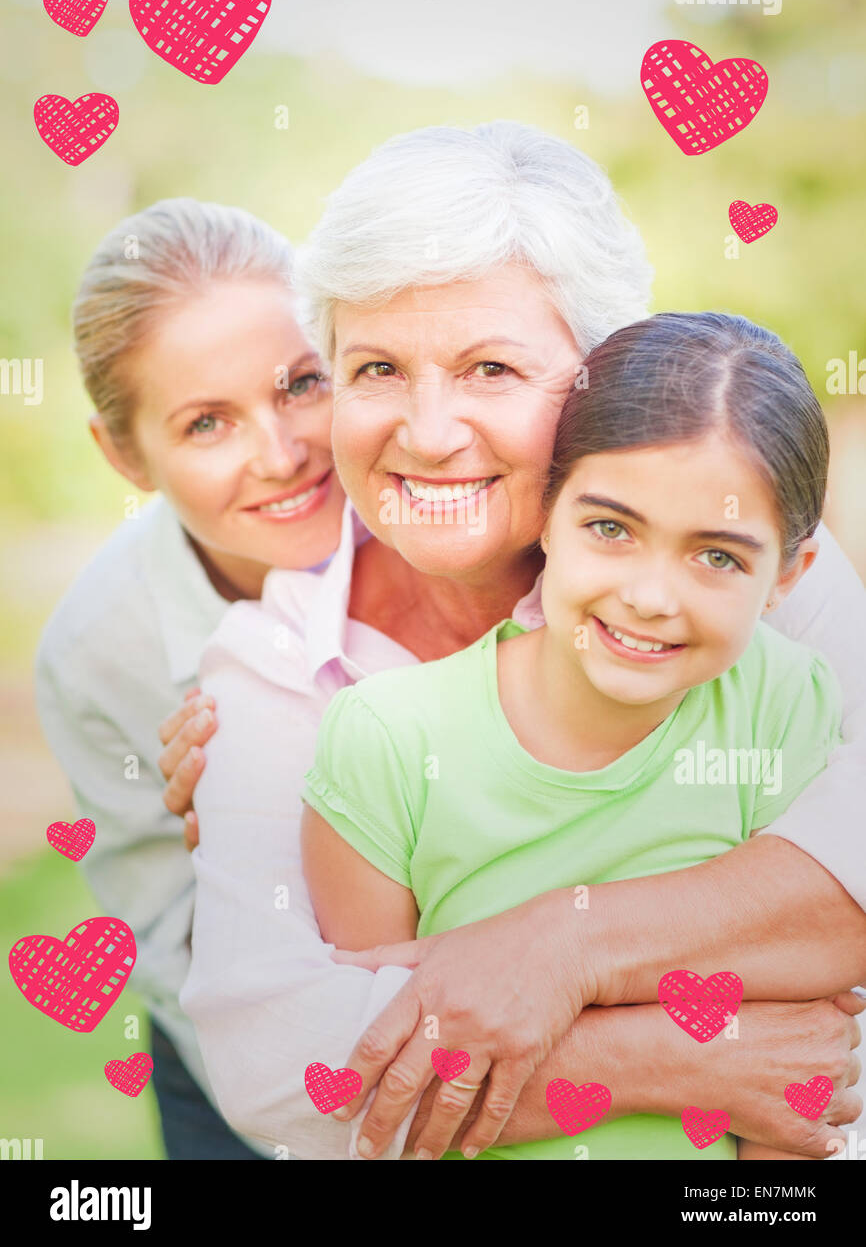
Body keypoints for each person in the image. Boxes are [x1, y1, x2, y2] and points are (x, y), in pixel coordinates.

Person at [162, 124, 866, 1161]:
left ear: (602, 379)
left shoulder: (735, 571)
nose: (430, 429)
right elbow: (281, 1067)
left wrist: (560, 945)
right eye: (375, 369)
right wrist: (674, 1056)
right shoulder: (266, 676)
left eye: (490, 368)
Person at [301, 310, 843, 1160]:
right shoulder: (388, 741)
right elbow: (370, 1073)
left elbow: (799, 1068)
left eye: (718, 557)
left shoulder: (780, 700)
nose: (652, 597)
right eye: (611, 529)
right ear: (546, 516)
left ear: (788, 577)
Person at [34, 198, 345, 1159]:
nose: (282, 453)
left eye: (301, 384)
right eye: (208, 423)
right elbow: (177, 943)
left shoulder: (450, 530)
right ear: (126, 455)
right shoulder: (99, 655)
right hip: (241, 1065)